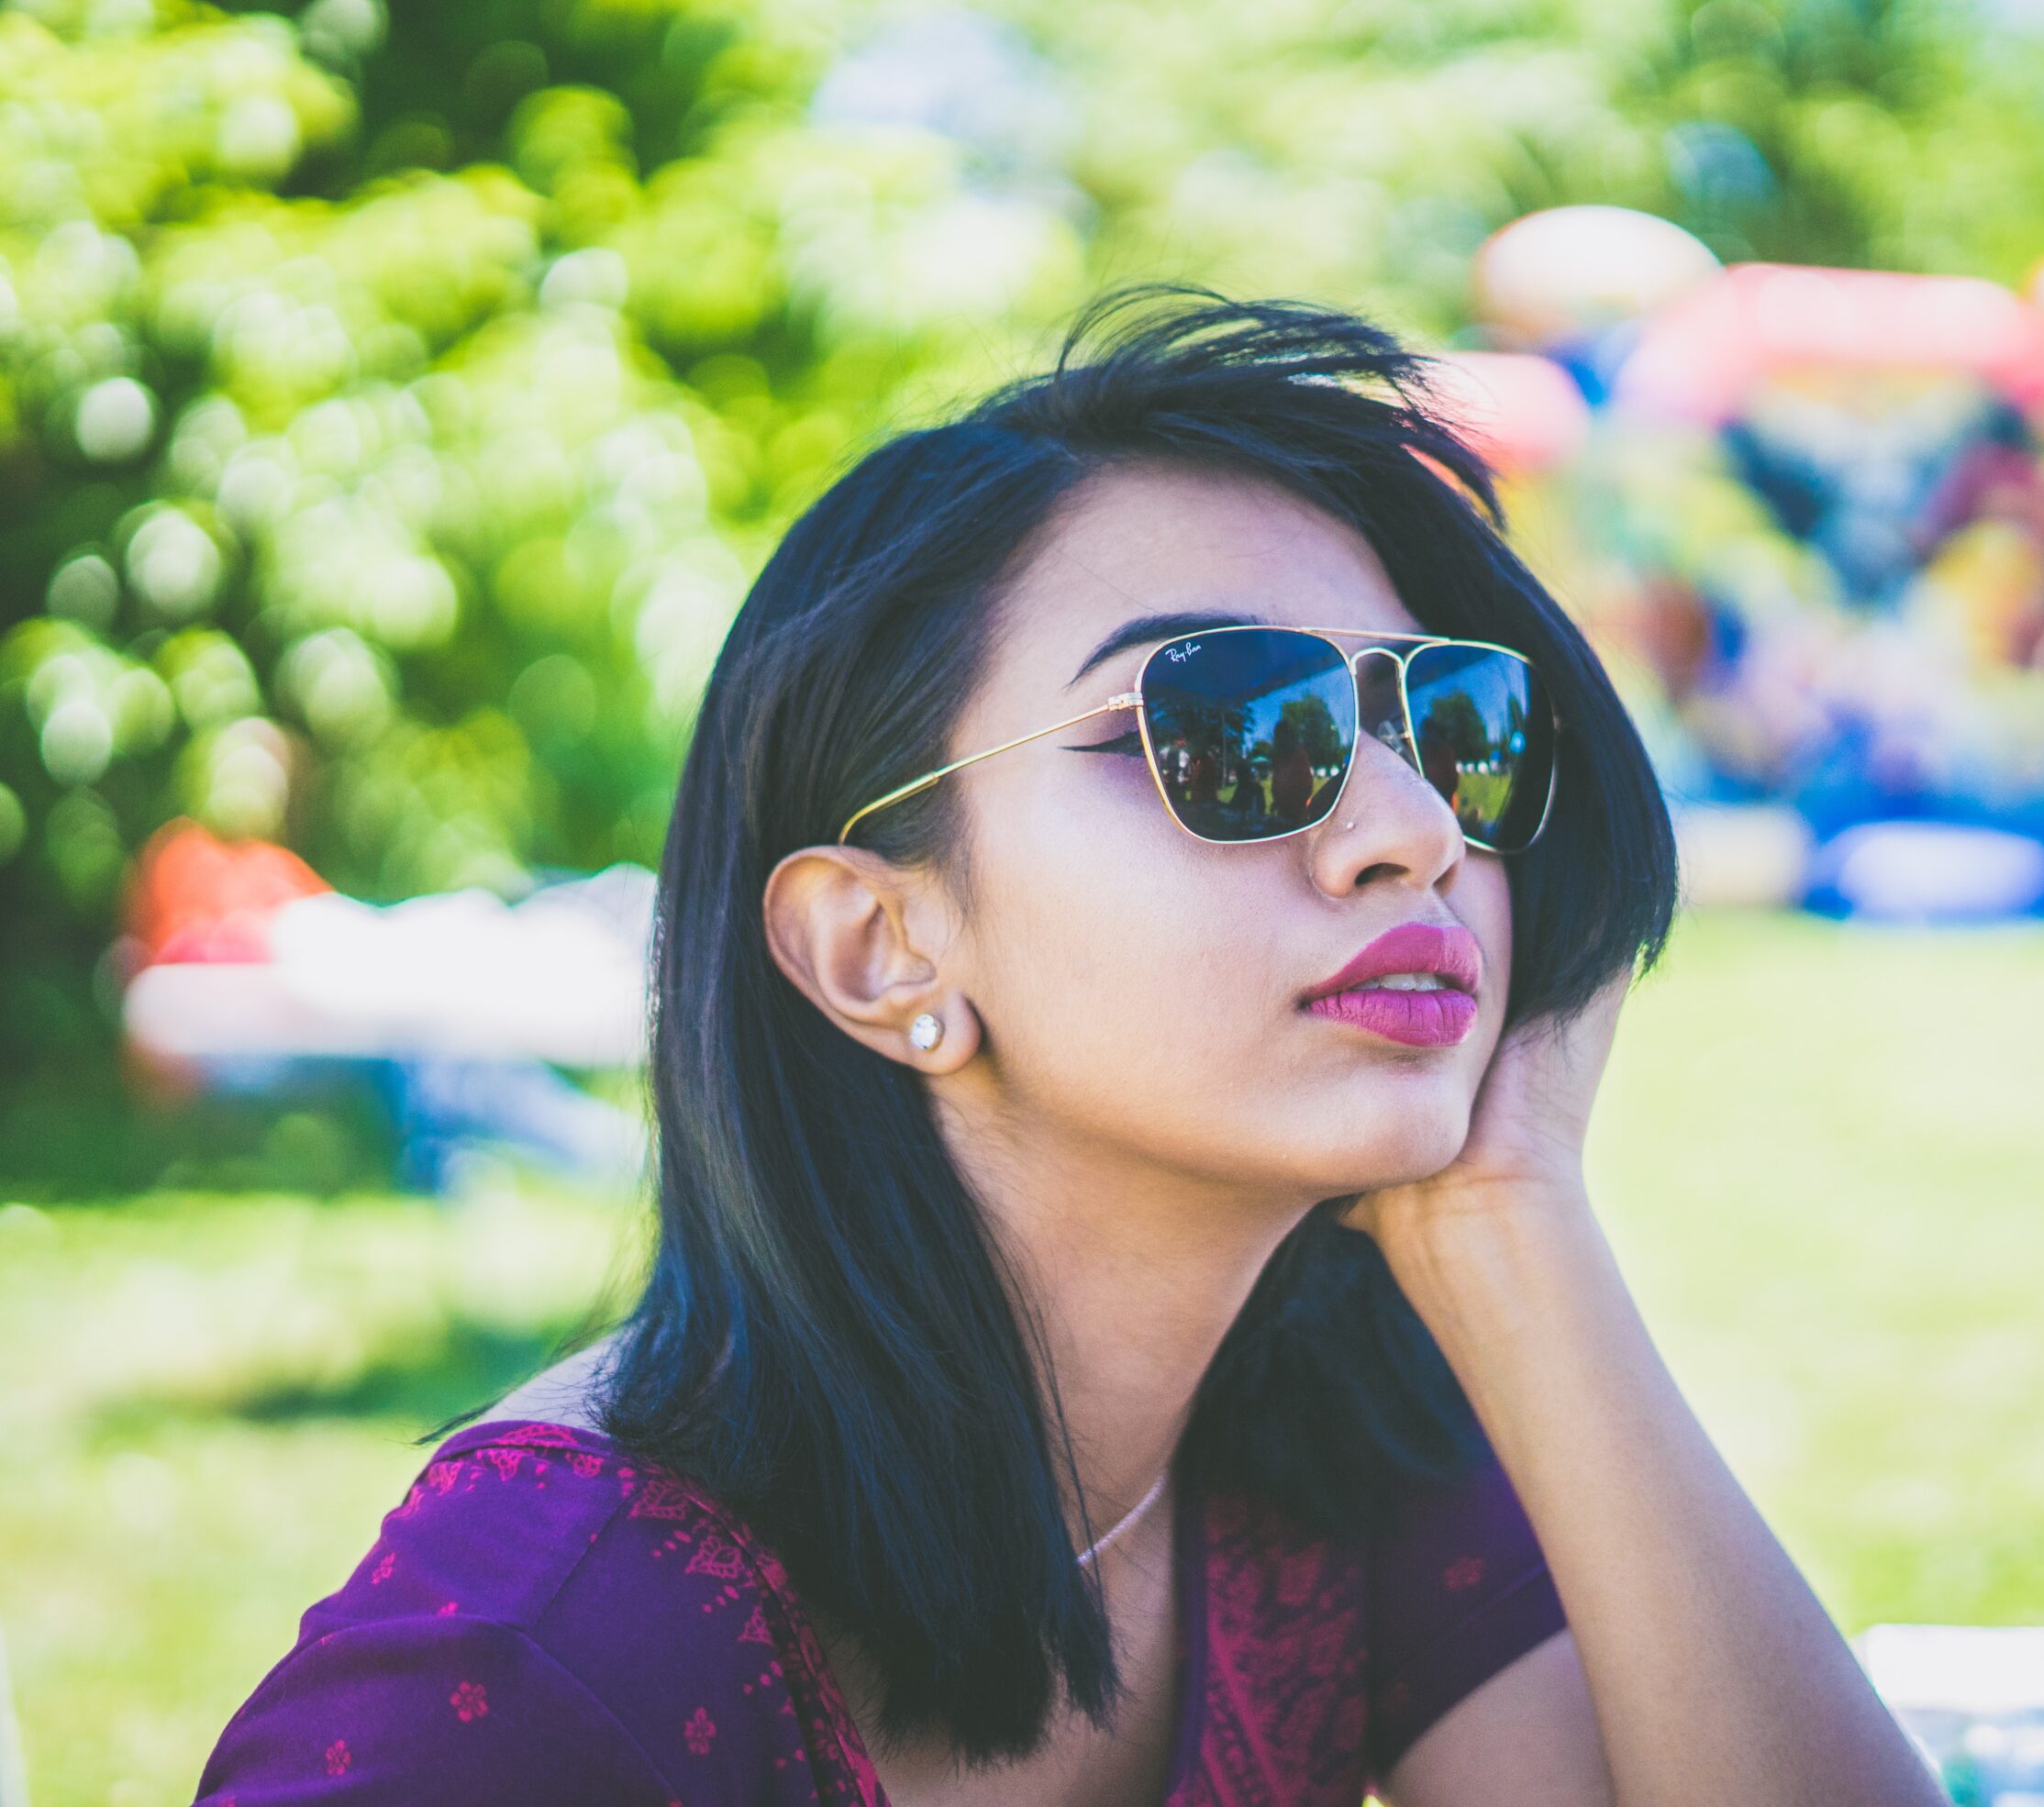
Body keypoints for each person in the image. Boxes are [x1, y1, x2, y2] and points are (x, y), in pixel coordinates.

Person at [195, 289, 1947, 1806]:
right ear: (880, 947)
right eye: (1225, 730)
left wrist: (1512, 1222)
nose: (1410, 825)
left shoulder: (1326, 1431)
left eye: (1445, 721)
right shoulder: (535, 1654)